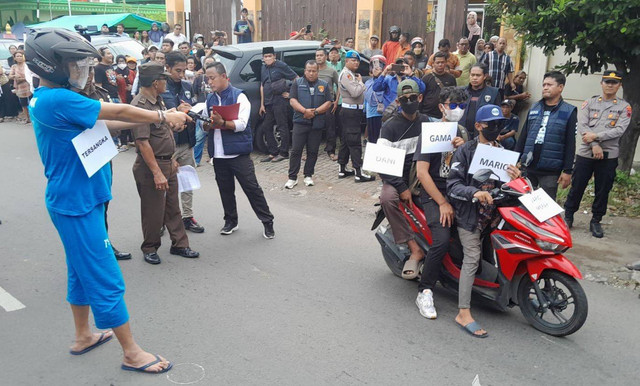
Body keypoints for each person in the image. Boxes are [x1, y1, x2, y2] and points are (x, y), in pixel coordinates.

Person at [26, 27, 188, 374]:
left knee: (80, 271)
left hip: (79, 199)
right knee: (104, 275)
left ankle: (83, 335)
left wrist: (144, 121)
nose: (79, 71)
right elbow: (122, 112)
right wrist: (163, 116)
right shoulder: (58, 98)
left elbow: (100, 124)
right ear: (51, 66)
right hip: (76, 203)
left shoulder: (47, 98)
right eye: (73, 65)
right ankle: (131, 352)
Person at [447, 104, 521, 337]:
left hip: (493, 217)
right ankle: (463, 312)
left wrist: (517, 177)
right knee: (472, 257)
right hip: (469, 217)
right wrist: (475, 193)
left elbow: (508, 185)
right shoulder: (466, 151)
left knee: (494, 255)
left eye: (500, 124)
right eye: (492, 125)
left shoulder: (503, 150)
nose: (497, 129)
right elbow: (453, 185)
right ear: (478, 126)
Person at [130, 62, 200, 265]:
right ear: (155, 82)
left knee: (172, 207)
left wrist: (170, 160)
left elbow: (161, 131)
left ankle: (180, 244)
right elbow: (143, 143)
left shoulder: (157, 101)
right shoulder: (140, 106)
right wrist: (157, 172)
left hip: (166, 162)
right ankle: (150, 247)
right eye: (163, 79)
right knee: (153, 210)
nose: (166, 83)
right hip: (151, 167)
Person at [202, 62, 276, 238]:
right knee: (225, 190)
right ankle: (230, 221)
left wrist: (223, 123)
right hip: (218, 154)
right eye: (207, 79)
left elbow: (243, 124)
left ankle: (267, 221)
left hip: (238, 154)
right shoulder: (210, 99)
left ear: (223, 76)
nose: (209, 82)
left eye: (212, 78)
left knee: (252, 188)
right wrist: (206, 124)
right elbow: (205, 124)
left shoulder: (239, 97)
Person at [414, 87, 468, 318]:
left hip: (458, 191)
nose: (457, 110)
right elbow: (422, 173)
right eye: (453, 105)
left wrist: (463, 149)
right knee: (442, 238)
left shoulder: (464, 133)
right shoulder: (431, 133)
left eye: (462, 106)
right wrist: (442, 202)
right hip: (432, 192)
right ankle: (425, 290)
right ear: (442, 107)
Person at [564, 71, 631, 238]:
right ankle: (568, 216)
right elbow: (583, 125)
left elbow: (620, 130)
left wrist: (597, 136)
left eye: (614, 82)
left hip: (608, 155)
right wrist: (594, 144)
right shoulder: (589, 103)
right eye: (607, 81)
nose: (610, 85)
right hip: (586, 153)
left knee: (603, 189)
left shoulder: (624, 107)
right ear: (601, 83)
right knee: (577, 185)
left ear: (619, 85)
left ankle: (596, 220)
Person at [378, 79, 428, 278]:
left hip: (421, 176)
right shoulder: (389, 127)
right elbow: (381, 164)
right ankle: (414, 247)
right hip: (396, 179)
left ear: (420, 98)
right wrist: (401, 187)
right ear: (398, 102)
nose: (409, 102)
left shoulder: (427, 122)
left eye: (413, 98)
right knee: (388, 199)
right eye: (404, 99)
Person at [160, 51, 205, 233]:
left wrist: (190, 110)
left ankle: (187, 216)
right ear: (167, 68)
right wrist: (177, 110)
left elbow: (193, 106)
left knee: (187, 181)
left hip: (187, 141)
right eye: (177, 70)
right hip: (168, 144)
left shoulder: (187, 85)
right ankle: (162, 219)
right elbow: (163, 116)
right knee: (164, 185)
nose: (181, 74)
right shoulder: (161, 88)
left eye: (183, 70)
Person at [515, 71, 577, 200]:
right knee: (523, 205)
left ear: (560, 87)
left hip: (550, 170)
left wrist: (567, 170)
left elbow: (570, 143)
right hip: (528, 167)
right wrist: (515, 159)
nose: (545, 87)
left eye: (549, 84)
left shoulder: (569, 111)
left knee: (545, 208)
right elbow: (524, 135)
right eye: (544, 85)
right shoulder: (535, 107)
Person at [285, 60, 334, 188]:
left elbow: (329, 102)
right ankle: (292, 177)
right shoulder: (297, 83)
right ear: (305, 71)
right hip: (300, 122)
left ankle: (308, 175)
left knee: (313, 151)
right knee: (296, 151)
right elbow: (292, 100)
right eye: (309, 71)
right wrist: (304, 111)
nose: (311, 73)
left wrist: (315, 112)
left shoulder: (323, 84)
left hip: (316, 123)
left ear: (318, 72)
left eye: (314, 71)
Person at [338, 50, 375, 182]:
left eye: (357, 61)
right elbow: (355, 92)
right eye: (353, 60)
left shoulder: (350, 74)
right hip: (351, 112)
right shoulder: (347, 75)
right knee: (354, 142)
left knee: (345, 140)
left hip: (352, 111)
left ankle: (342, 169)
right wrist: (361, 83)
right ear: (346, 61)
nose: (356, 63)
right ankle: (359, 173)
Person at [259, 46, 298, 162]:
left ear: (274, 56)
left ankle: (284, 152)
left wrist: (291, 93)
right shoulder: (263, 68)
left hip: (279, 100)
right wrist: (262, 104)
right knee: (266, 126)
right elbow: (262, 85)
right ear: (263, 58)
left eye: (270, 56)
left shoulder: (281, 66)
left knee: (282, 126)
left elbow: (296, 78)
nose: (268, 58)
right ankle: (273, 151)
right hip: (268, 101)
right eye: (265, 57)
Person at [460, 63, 500, 138]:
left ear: (485, 76)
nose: (474, 78)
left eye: (478, 75)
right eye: (472, 75)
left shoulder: (494, 93)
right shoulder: (461, 91)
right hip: (462, 135)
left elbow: (498, 119)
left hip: (483, 136)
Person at [315, 48, 341, 160]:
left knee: (330, 128)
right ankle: (311, 151)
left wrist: (336, 101)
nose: (319, 57)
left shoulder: (331, 71)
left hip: (328, 103)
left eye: (321, 55)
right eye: (317, 55)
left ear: (326, 57)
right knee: (314, 128)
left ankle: (331, 151)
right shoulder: (313, 70)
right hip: (314, 103)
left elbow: (339, 86)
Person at [420, 51, 457, 118]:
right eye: (438, 62)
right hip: (428, 115)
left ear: (446, 63)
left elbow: (454, 97)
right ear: (433, 64)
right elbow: (421, 97)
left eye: (442, 62)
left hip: (445, 115)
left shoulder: (451, 78)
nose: (440, 64)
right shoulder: (426, 78)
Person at [364, 55, 386, 144]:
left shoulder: (386, 80)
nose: (376, 68)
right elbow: (366, 97)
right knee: (372, 139)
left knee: (382, 139)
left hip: (382, 113)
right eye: (373, 66)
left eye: (379, 65)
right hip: (371, 114)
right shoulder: (368, 82)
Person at [9, 50, 33, 123]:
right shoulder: (14, 66)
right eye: (17, 56)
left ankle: (34, 117)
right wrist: (15, 76)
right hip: (20, 87)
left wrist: (22, 78)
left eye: (20, 56)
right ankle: (27, 118)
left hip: (29, 85)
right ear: (15, 58)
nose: (19, 58)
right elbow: (10, 76)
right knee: (23, 103)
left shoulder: (27, 65)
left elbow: (31, 75)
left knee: (32, 102)